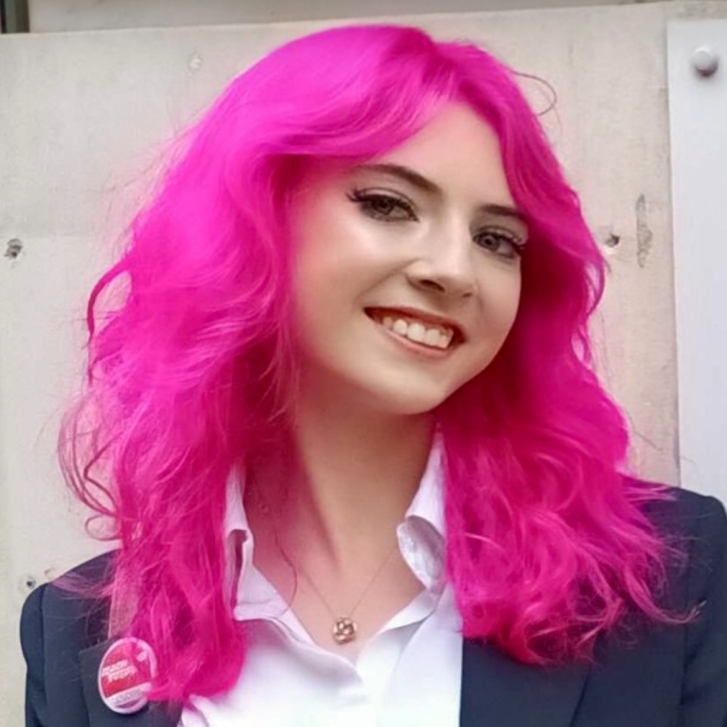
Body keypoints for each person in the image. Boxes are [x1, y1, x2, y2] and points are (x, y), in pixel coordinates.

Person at [20, 22, 727, 727]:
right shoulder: (81, 633)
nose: (454, 270)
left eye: (495, 239)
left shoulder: (668, 571)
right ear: (255, 219)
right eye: (389, 204)